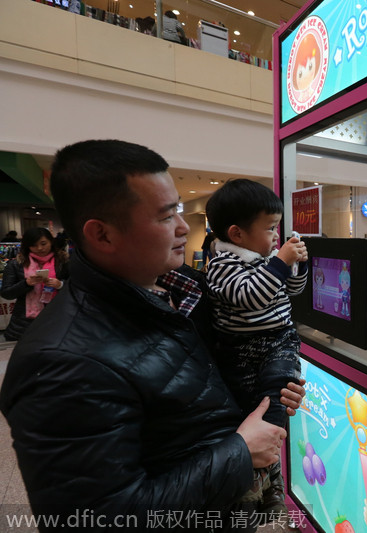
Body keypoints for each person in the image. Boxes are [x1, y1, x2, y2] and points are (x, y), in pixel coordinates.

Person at [0, 140, 305, 533]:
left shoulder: (182, 290)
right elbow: (99, 517)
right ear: (102, 235)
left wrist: (265, 394)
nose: (183, 228)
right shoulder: (61, 362)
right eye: (165, 217)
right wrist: (239, 452)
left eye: (177, 209)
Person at [205, 179, 308, 518]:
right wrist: (279, 262)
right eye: (269, 228)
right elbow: (250, 296)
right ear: (237, 234)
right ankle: (259, 479)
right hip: (241, 349)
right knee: (254, 410)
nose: (276, 236)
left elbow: (291, 290)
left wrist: (297, 265)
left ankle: (264, 479)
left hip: (280, 338)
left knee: (275, 398)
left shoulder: (267, 258)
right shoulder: (222, 264)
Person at [1, 227, 69, 341]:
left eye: (43, 243)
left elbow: (79, 287)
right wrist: (26, 284)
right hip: (24, 324)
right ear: (27, 246)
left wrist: (60, 285)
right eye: (34, 245)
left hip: (59, 319)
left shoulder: (64, 262)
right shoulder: (16, 264)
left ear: (51, 241)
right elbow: (6, 293)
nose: (39, 248)